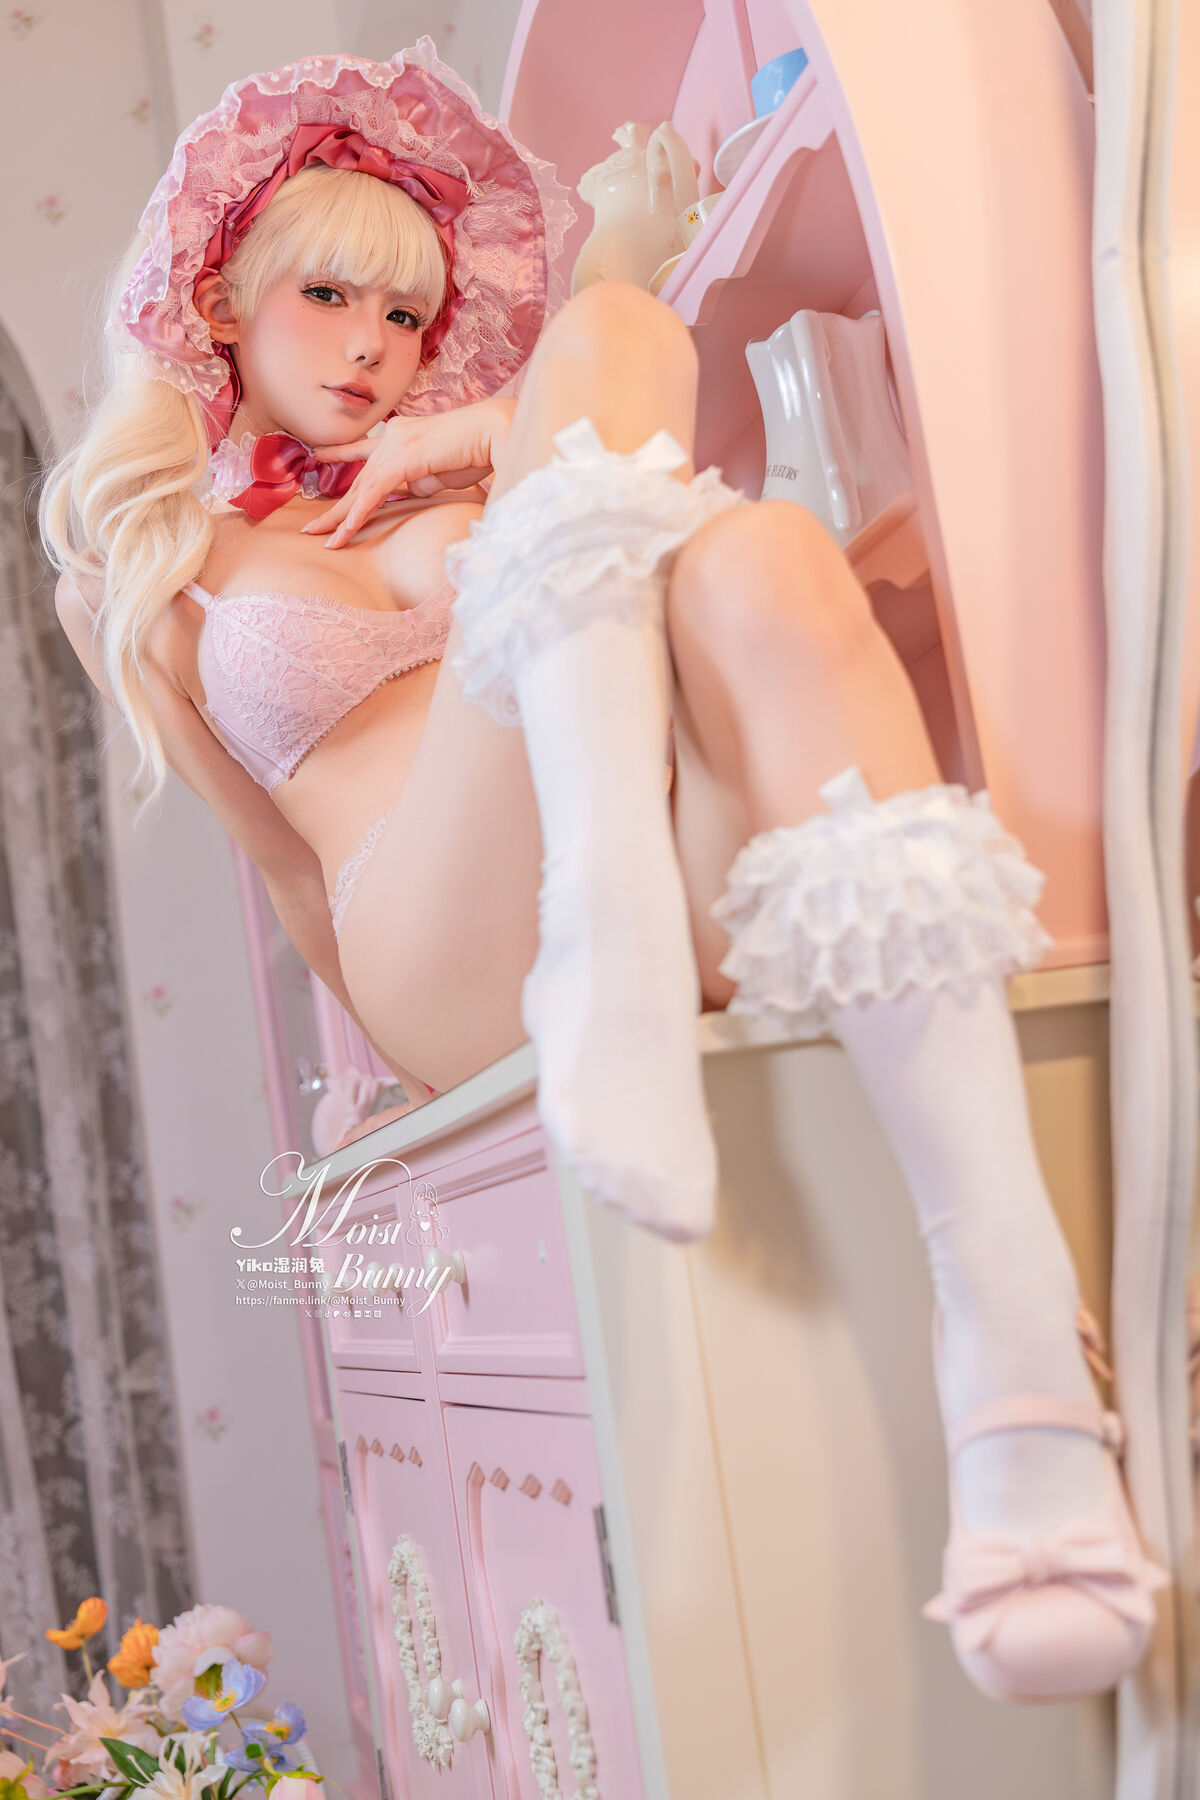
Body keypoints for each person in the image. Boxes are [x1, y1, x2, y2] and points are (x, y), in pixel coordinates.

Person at [41, 38, 1165, 1704]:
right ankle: (613, 935)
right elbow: (284, 870)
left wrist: (486, 434)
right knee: (619, 333)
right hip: (432, 945)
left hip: (610, 858)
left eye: (407, 313)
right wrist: (376, 1105)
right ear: (223, 301)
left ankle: (1010, 1337)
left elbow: (627, 497)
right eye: (329, 296)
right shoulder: (154, 564)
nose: (372, 345)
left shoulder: (458, 467)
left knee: (761, 551)